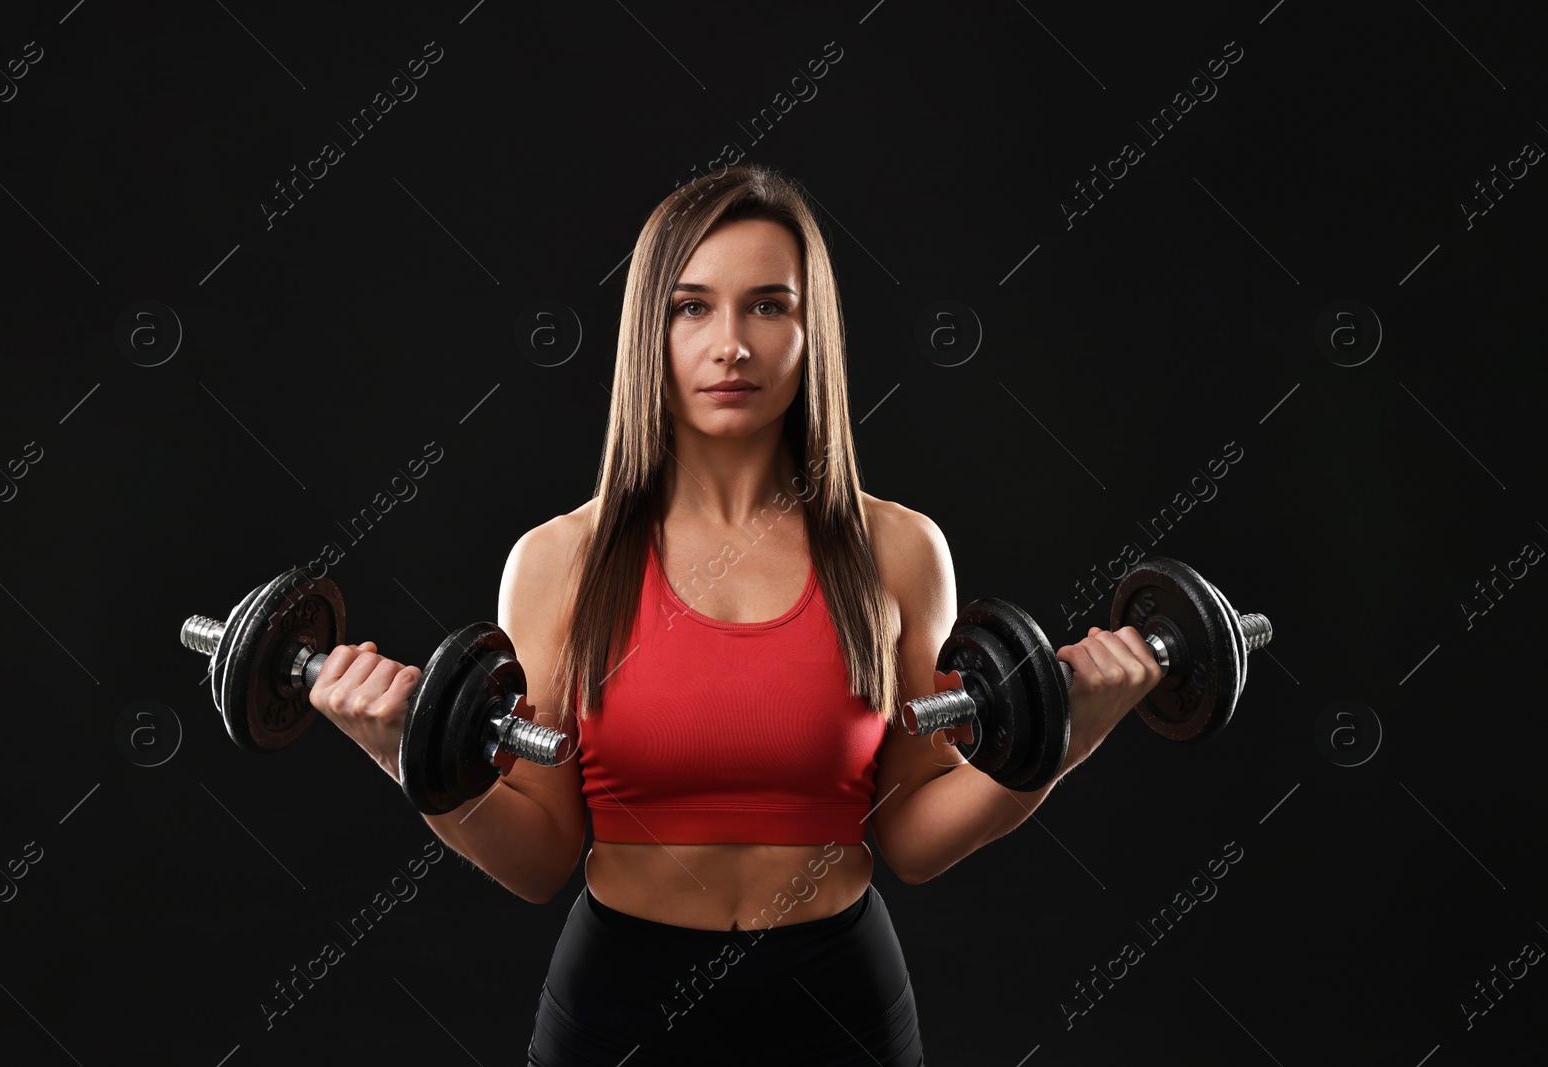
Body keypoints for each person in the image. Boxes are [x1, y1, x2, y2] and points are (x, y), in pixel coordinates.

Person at [307, 164, 1164, 1066]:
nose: (731, 345)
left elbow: (912, 833)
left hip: (839, 997)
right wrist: (404, 749)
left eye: (767, 306)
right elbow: (540, 855)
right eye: (690, 307)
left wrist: (1064, 741)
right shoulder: (560, 561)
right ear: (650, 332)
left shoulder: (900, 550)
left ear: (811, 329)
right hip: (620, 997)